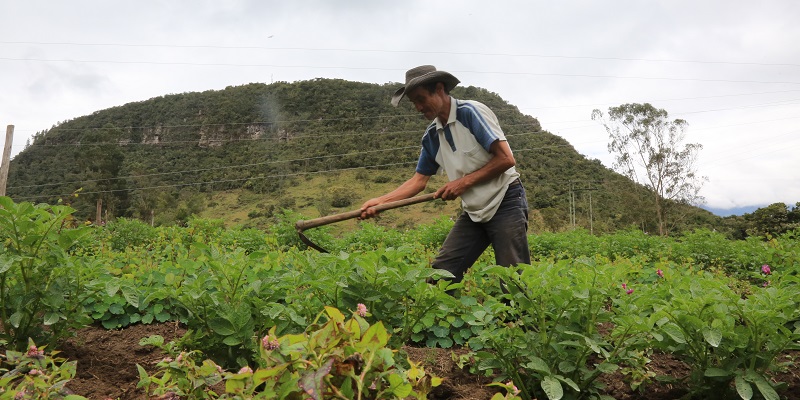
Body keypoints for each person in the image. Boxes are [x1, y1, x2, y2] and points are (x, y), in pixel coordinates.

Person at [360, 65, 530, 287]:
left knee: (513, 280)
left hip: (506, 200)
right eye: (414, 103)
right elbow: (418, 181)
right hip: (473, 210)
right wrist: (381, 201)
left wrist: (463, 183)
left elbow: (506, 159)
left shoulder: (471, 113)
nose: (419, 107)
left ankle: (521, 322)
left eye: (421, 99)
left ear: (439, 89)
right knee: (441, 275)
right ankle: (441, 320)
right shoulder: (432, 136)